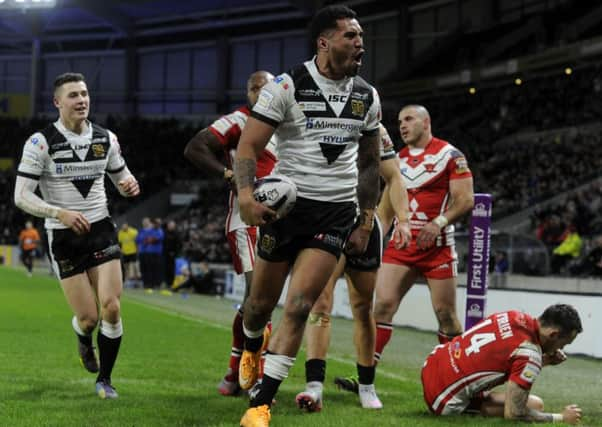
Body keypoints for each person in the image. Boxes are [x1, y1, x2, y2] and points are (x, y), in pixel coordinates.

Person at [235, 6, 382, 426]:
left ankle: (260, 404)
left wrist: (365, 218)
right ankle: (250, 345)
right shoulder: (286, 85)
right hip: (285, 212)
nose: (360, 43)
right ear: (324, 42)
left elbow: (370, 165)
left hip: (334, 214)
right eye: (351, 36)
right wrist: (246, 195)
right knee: (258, 306)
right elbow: (247, 148)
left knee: (299, 306)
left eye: (361, 36)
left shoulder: (368, 96)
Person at [14, 72, 140, 399]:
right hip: (63, 235)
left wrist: (129, 186)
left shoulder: (106, 138)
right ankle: (83, 338)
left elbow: (122, 178)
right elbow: (21, 196)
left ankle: (105, 380)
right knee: (89, 318)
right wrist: (60, 213)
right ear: (57, 102)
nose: (81, 100)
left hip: (101, 229)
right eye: (73, 95)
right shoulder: (40, 143)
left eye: (84, 94)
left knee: (111, 307)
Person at [337, 104, 475, 396]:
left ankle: (457, 381)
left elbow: (465, 200)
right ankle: (364, 377)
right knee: (382, 306)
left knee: (446, 315)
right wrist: (370, 238)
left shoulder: (451, 155)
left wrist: (438, 223)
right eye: (399, 121)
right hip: (401, 248)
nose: (402, 125)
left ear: (426, 122)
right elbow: (386, 211)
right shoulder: (396, 160)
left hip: (437, 248)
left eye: (409, 119)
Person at [296, 124, 411, 412]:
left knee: (362, 308)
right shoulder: (317, 116)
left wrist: (404, 219)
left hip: (365, 224)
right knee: (320, 304)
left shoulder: (374, 126)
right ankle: (314, 386)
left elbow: (394, 177)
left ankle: (367, 387)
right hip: (327, 220)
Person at [183, 70, 276, 396]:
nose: (260, 91)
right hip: (246, 219)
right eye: (254, 87)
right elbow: (195, 147)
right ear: (248, 93)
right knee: (259, 296)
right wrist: (229, 175)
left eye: (267, 86)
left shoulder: (291, 123)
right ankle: (257, 376)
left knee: (260, 303)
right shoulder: (240, 119)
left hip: (287, 220)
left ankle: (236, 365)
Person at [421, 304, 583, 424]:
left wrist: (545, 360)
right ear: (553, 334)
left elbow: (506, 357)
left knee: (535, 404)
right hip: (442, 398)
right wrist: (561, 418)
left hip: (433, 363)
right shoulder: (530, 354)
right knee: (527, 407)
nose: (561, 348)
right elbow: (514, 413)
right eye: (564, 343)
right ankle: (470, 407)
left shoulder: (514, 316)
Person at [117, 222, 140, 288]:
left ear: (127, 226)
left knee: (134, 267)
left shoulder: (133, 232)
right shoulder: (120, 233)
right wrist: (120, 250)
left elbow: (137, 241)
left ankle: (136, 282)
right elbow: (120, 243)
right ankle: (127, 282)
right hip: (125, 253)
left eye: (125, 226)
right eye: (122, 227)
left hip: (133, 252)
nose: (123, 228)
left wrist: (137, 249)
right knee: (126, 267)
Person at [163, 220, 181, 289]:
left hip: (173, 254)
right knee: (165, 269)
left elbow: (178, 244)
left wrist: (175, 252)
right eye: (170, 225)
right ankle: (166, 283)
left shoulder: (176, 234)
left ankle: (171, 284)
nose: (171, 226)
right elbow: (163, 243)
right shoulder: (165, 233)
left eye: (172, 225)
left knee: (171, 269)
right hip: (165, 254)